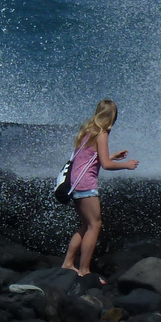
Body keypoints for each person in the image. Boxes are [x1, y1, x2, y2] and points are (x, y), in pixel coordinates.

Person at [60, 98, 138, 279]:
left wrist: (113, 156)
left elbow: (89, 158)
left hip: (75, 184)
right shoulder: (101, 133)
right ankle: (84, 270)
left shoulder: (87, 131)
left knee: (86, 225)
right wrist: (126, 165)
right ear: (112, 117)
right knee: (95, 225)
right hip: (86, 185)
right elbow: (106, 164)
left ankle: (68, 263)